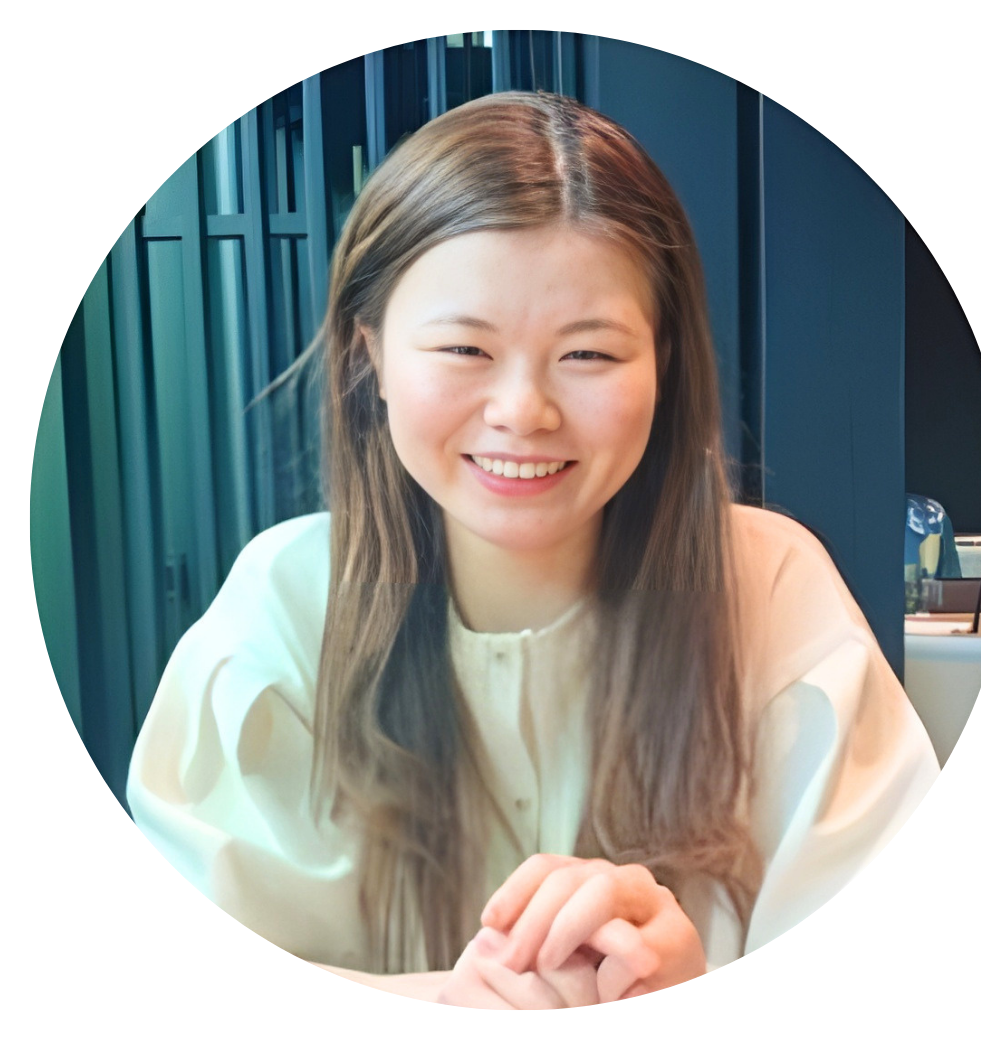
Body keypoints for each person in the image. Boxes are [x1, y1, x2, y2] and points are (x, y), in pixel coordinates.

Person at [127, 91, 939, 1006]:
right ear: (371, 356)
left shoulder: (772, 589)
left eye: (587, 355)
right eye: (464, 350)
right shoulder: (284, 606)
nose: (523, 412)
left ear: (665, 364)